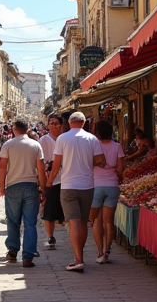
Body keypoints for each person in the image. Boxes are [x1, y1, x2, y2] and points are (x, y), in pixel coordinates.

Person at [47, 111, 104, 272]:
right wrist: (87, 161)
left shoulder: (62, 139)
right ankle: (81, 256)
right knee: (84, 222)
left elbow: (56, 164)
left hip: (68, 185)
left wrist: (50, 181)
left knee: (73, 222)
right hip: (87, 185)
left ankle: (78, 259)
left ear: (69, 123)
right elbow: (101, 161)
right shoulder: (92, 139)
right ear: (84, 122)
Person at [0, 120, 47, 267]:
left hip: (13, 186)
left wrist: (1, 187)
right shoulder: (35, 145)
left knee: (13, 220)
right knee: (30, 222)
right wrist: (43, 188)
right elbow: (41, 169)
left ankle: (12, 250)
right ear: (28, 129)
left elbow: (2, 168)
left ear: (14, 129)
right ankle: (28, 256)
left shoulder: (8, 144)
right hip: (31, 186)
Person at [91, 120, 125, 264]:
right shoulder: (117, 146)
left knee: (96, 220)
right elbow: (120, 169)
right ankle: (107, 251)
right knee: (108, 221)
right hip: (112, 186)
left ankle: (99, 252)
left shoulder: (93, 146)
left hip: (95, 186)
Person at [38, 114, 65, 250]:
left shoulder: (65, 139)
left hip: (65, 179)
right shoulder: (43, 140)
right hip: (50, 180)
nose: (53, 126)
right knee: (49, 211)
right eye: (51, 123)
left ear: (61, 125)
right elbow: (40, 161)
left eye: (55, 123)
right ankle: (50, 236)